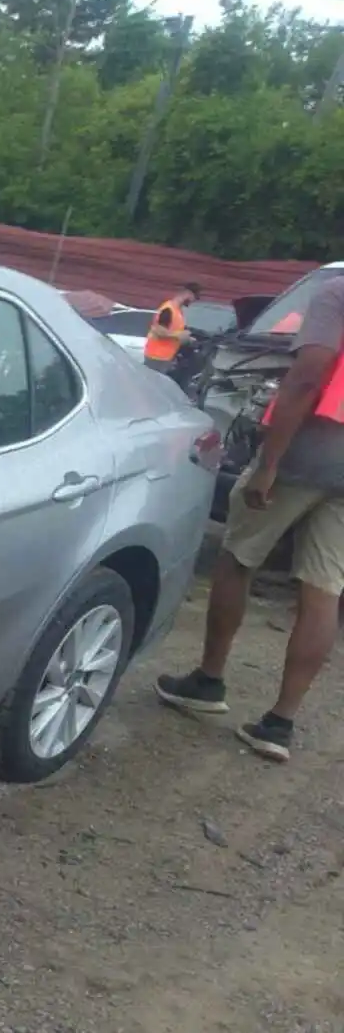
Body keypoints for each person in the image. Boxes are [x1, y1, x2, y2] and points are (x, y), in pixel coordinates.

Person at [156, 274, 344, 762]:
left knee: (238, 556)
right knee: (324, 588)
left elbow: (308, 377)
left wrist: (269, 463)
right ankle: (279, 724)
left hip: (313, 449)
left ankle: (209, 681)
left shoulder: (338, 293)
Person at [143, 283, 201, 370]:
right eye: (194, 298)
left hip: (165, 357)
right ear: (187, 294)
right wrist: (179, 335)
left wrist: (187, 339)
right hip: (156, 357)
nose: (193, 301)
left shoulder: (178, 311)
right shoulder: (168, 309)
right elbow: (159, 331)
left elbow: (174, 332)